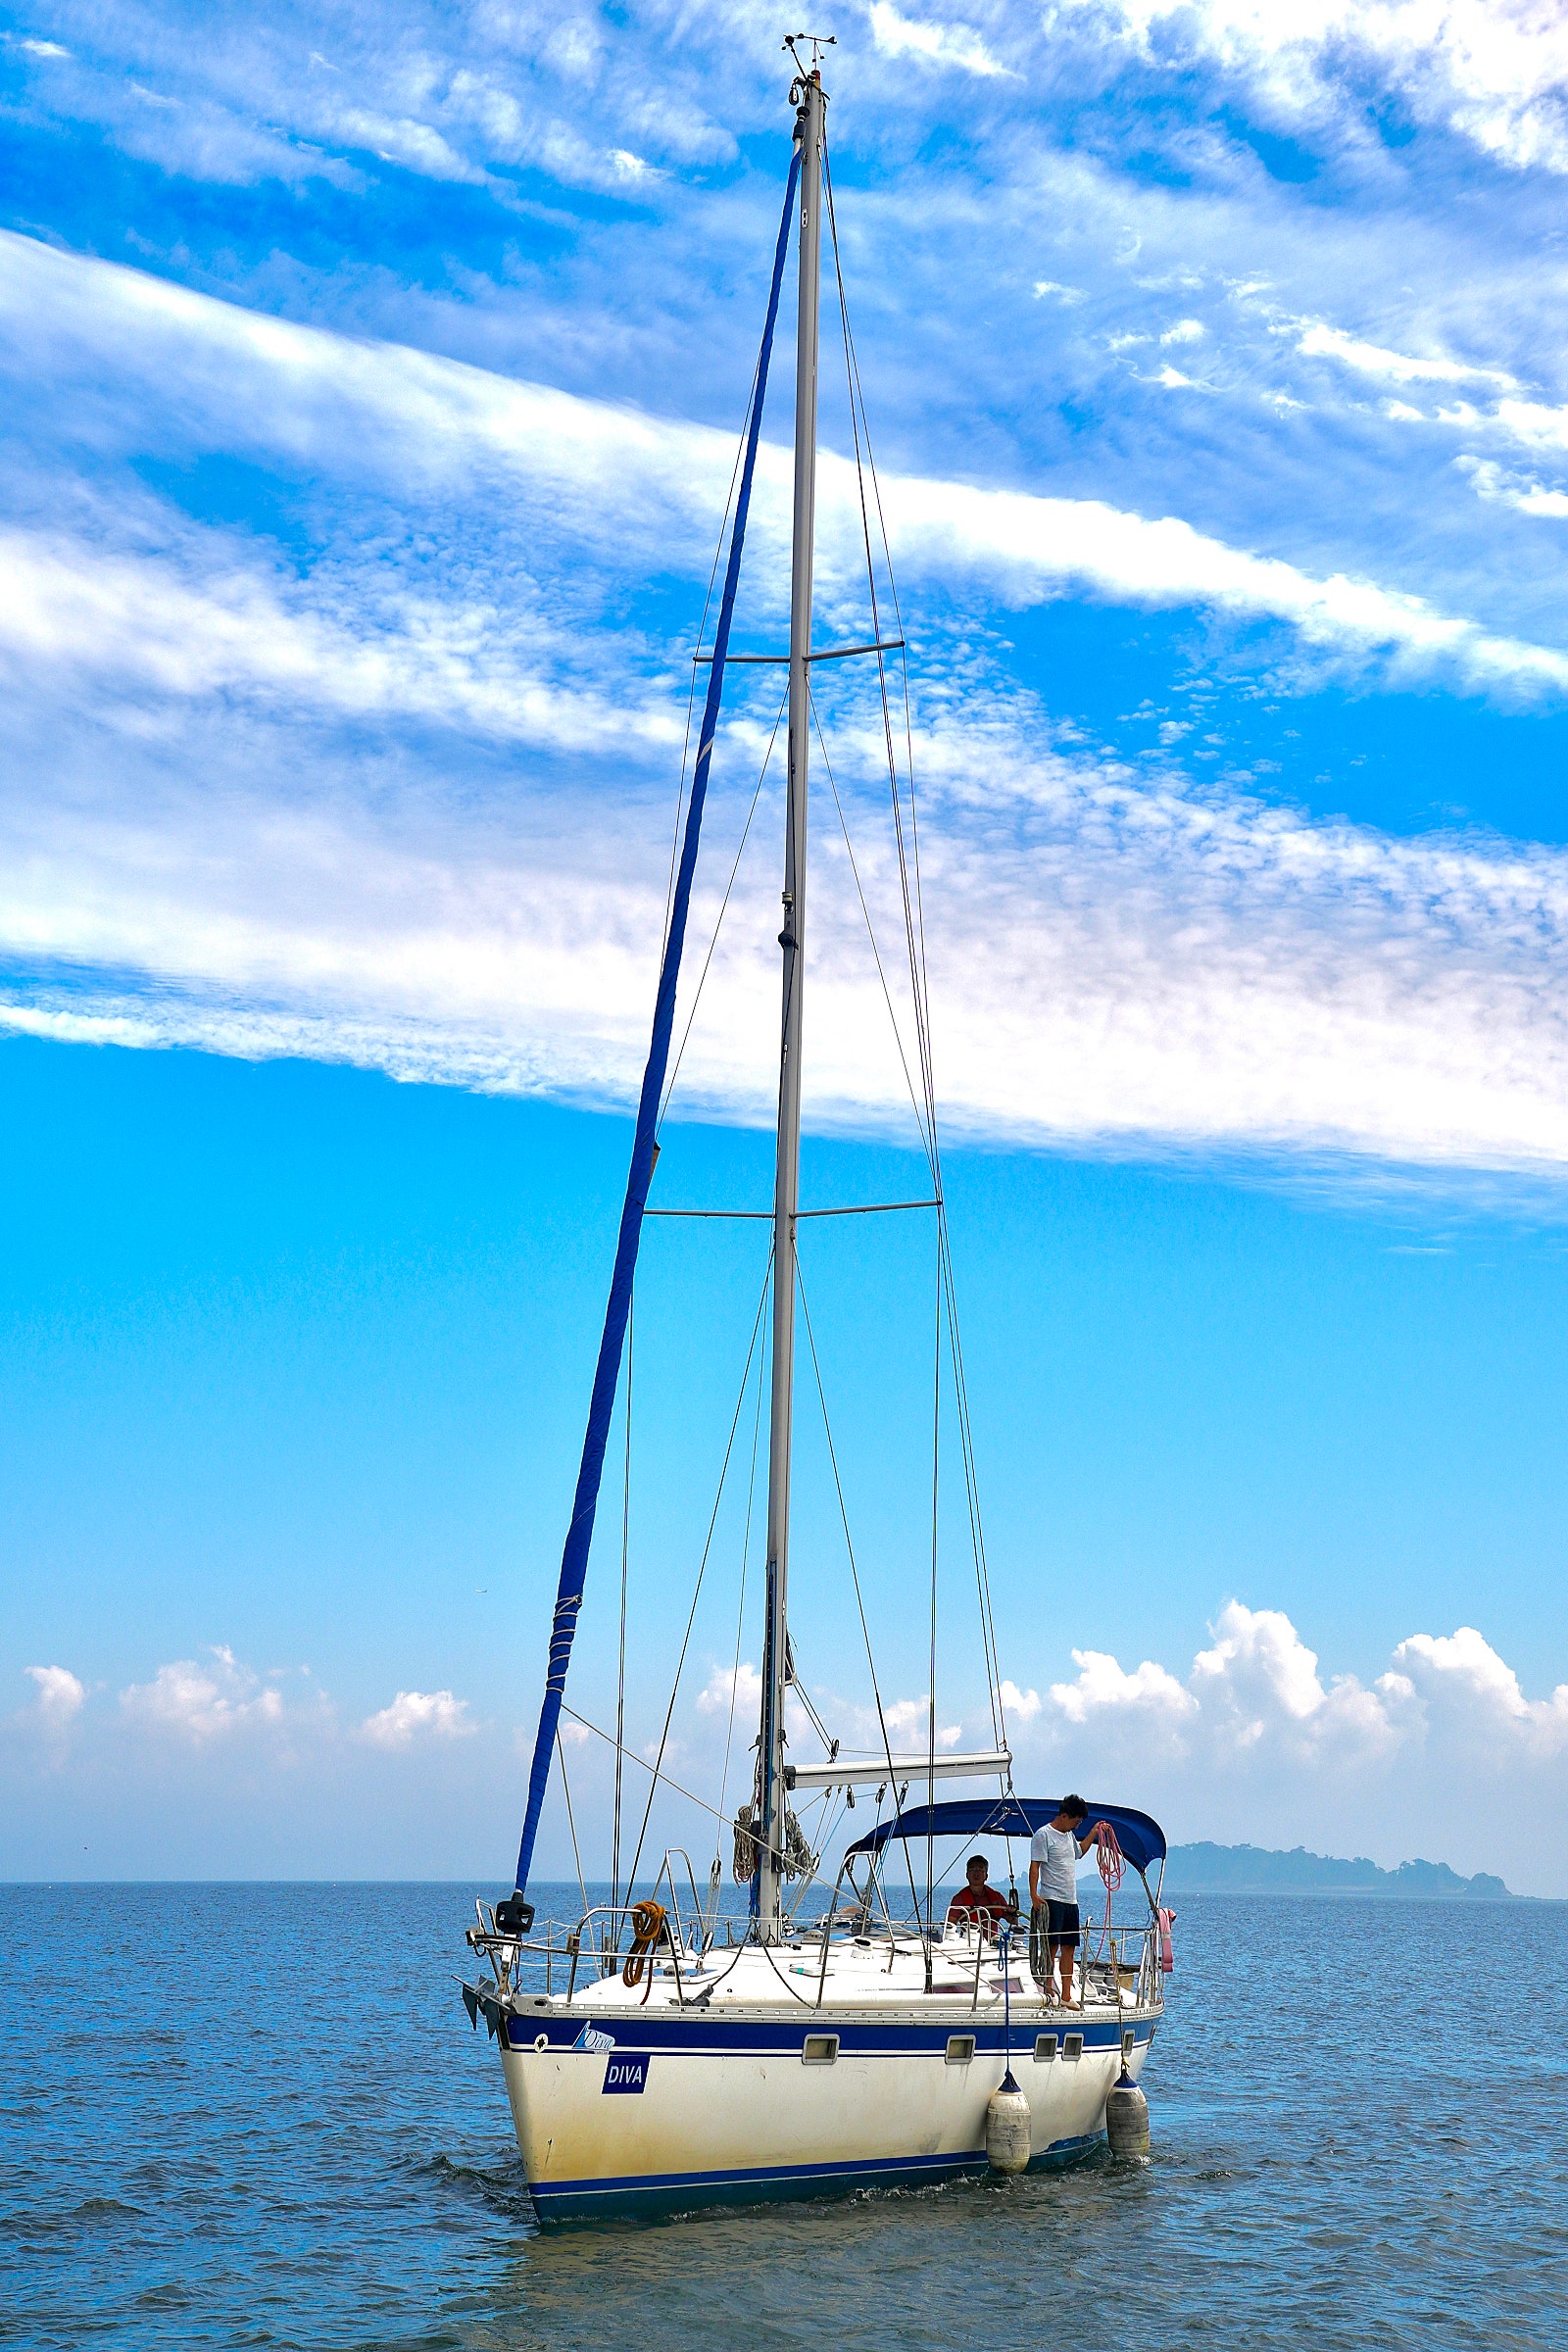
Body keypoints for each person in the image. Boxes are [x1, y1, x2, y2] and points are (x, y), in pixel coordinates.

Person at [1028, 1795, 1102, 2003]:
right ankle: (1048, 1990)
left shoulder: (1069, 1836)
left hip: (1071, 1901)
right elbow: (1035, 1866)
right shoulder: (1043, 1835)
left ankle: (1067, 1995)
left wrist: (1093, 1832)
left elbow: (1080, 1852)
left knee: (1069, 1949)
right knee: (1051, 1948)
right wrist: (1034, 1895)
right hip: (1052, 1899)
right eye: (1076, 1821)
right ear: (1064, 1815)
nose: (1077, 1825)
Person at [946, 1853, 1018, 1936]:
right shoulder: (959, 1899)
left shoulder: (997, 1897)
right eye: (972, 1869)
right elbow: (950, 1925)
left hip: (993, 1945)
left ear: (986, 1876)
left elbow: (1014, 1921)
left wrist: (1011, 1911)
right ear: (967, 1875)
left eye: (980, 1870)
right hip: (968, 1944)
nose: (976, 1873)